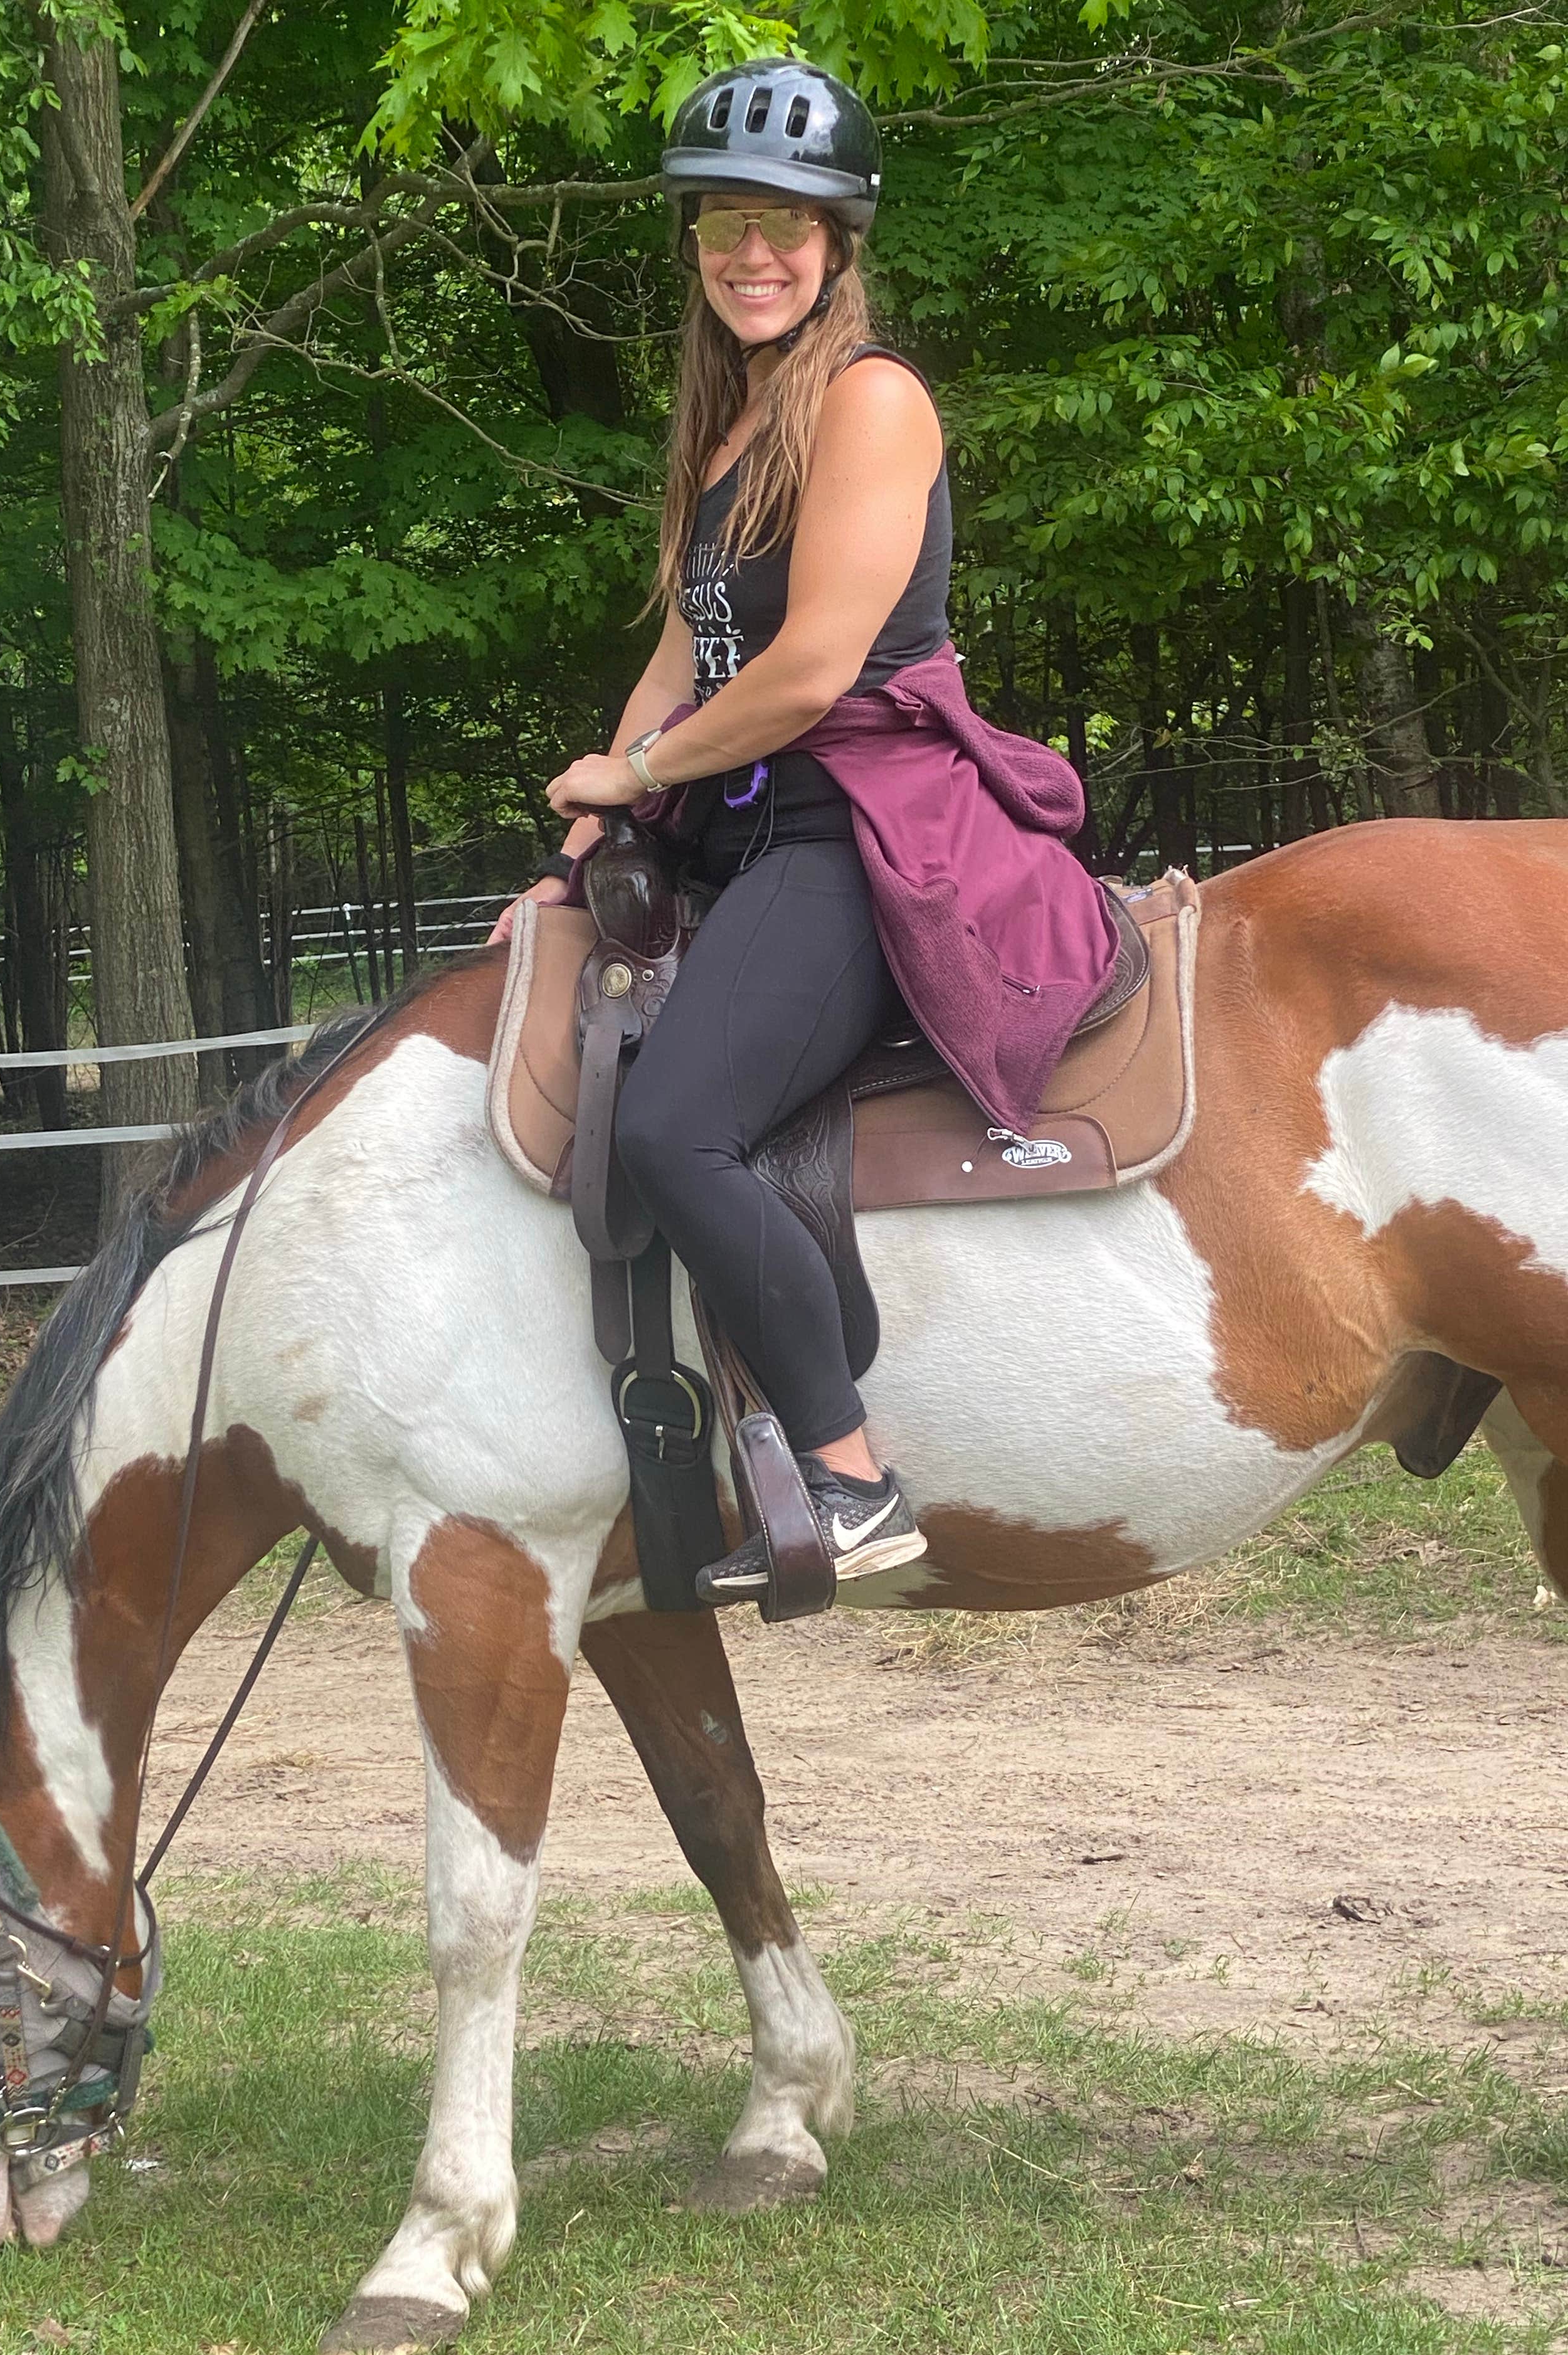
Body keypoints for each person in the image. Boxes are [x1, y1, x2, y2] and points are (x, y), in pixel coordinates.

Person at [490, 58, 1112, 1607]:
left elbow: (815, 669)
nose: (750, 256)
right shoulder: (732, 427)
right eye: (722, 228)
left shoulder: (871, 401)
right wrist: (574, 857)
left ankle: (849, 1473)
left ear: (840, 243)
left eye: (786, 227)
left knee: (670, 1127)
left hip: (861, 833)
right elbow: (684, 657)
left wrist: (639, 780)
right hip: (749, 826)